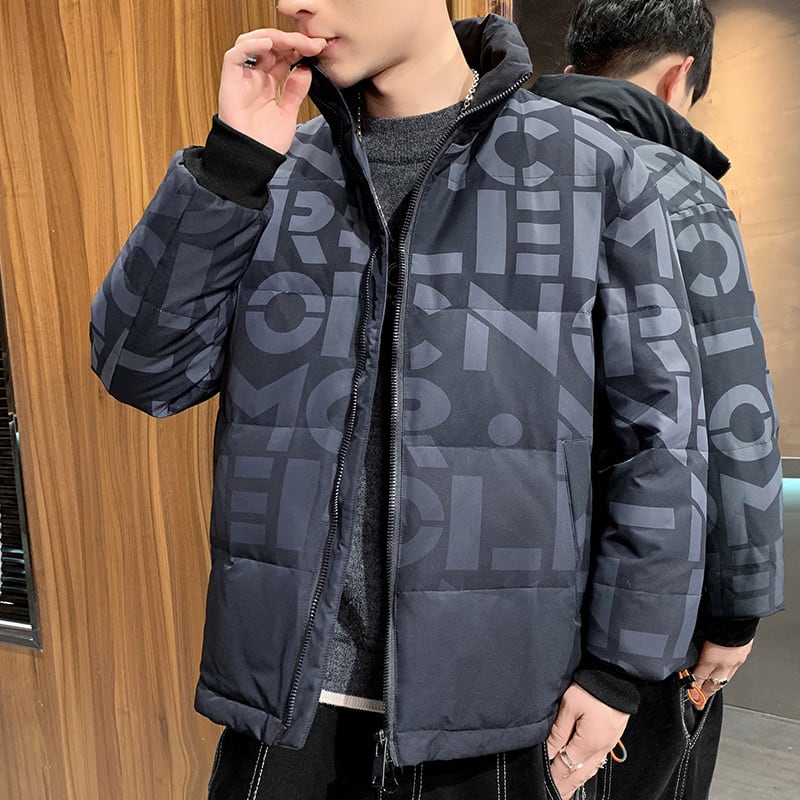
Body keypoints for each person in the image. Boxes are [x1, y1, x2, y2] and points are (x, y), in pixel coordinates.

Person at [90, 3, 709, 798]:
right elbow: (145, 371)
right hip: (289, 707)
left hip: (500, 717)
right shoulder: (273, 171)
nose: (298, 3)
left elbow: (661, 438)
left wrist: (621, 670)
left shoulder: (588, 168)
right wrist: (233, 166)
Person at [533, 2, 784, 798]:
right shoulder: (674, 183)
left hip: (513, 585)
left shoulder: (495, 167)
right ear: (680, 76)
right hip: (649, 590)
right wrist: (737, 607)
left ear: (572, 70)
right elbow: (733, 404)